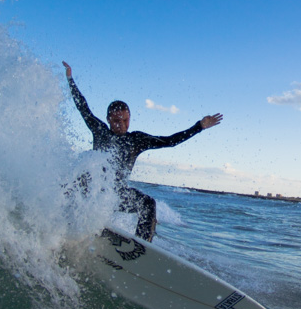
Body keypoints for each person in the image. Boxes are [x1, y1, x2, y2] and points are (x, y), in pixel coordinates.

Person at [62, 61, 222, 241]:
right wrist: (70, 79)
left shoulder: (136, 140)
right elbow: (82, 107)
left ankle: (141, 248)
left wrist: (199, 126)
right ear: (108, 119)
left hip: (115, 195)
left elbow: (169, 141)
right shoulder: (100, 130)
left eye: (125, 120)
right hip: (93, 191)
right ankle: (60, 219)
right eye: (116, 120)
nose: (121, 125)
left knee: (148, 204)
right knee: (75, 181)